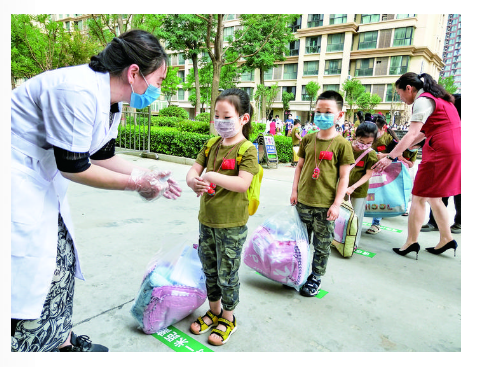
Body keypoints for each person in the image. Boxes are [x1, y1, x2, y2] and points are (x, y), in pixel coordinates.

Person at [10, 30, 182, 352]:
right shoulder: (77, 91)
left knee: (61, 261)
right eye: (158, 80)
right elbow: (75, 166)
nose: (159, 89)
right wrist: (136, 184)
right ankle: (27, 348)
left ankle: (60, 341)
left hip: (42, 180)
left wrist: (147, 173)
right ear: (134, 73)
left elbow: (102, 155)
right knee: (37, 270)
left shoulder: (110, 101)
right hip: (18, 178)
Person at [186, 88, 258, 346]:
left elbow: (242, 184)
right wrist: (193, 181)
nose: (220, 121)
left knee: (227, 273)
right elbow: (194, 170)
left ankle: (228, 317)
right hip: (207, 221)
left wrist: (211, 176)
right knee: (210, 270)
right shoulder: (211, 145)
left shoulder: (248, 150)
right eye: (216, 115)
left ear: (243, 119)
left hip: (232, 225)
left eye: (226, 116)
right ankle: (213, 311)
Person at [372, 72, 460, 259]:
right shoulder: (440, 99)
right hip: (453, 146)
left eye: (400, 93)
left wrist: (391, 157)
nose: (401, 98)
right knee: (435, 197)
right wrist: (405, 147)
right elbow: (424, 132)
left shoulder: (422, 100)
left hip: (440, 150)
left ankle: (411, 242)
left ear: (409, 88)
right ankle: (446, 238)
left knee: (419, 197)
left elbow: (412, 133)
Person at [290, 91, 355, 297]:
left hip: (325, 206)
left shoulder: (342, 144)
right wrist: (294, 191)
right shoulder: (308, 140)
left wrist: (337, 204)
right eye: (318, 111)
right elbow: (299, 167)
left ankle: (316, 276)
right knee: (300, 242)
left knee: (322, 244)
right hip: (302, 202)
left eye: (328, 112)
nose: (322, 115)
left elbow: (344, 177)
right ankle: (298, 271)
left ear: (340, 115)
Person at [421, 93, 461, 234]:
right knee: (440, 190)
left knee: (459, 191)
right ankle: (435, 222)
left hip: (457, 154)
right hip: (447, 154)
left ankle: (459, 222)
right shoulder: (448, 108)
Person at [365, 114, 400, 235]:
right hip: (370, 169)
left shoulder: (390, 138)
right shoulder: (368, 135)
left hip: (383, 172)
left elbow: (398, 154)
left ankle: (376, 223)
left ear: (383, 128)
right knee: (369, 196)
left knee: (379, 196)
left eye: (376, 130)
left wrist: (383, 156)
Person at [346, 122, 379, 250]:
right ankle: (338, 239)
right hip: (341, 188)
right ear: (355, 136)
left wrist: (353, 187)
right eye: (361, 141)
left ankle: (353, 243)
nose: (364, 145)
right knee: (340, 216)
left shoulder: (370, 154)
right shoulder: (346, 147)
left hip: (358, 191)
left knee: (356, 218)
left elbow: (368, 174)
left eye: (369, 143)